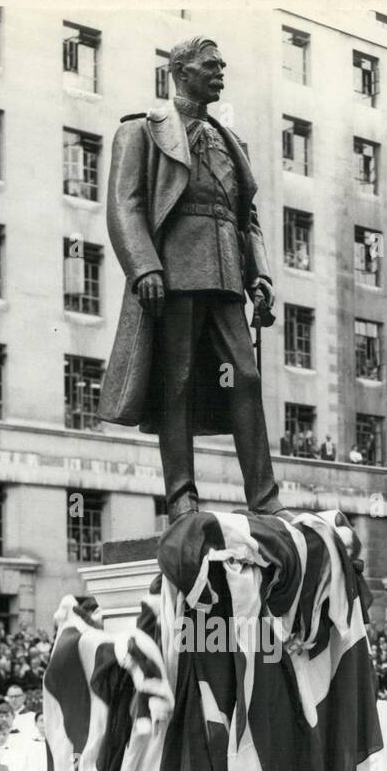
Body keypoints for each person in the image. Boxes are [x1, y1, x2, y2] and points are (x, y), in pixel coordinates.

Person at [99, 36, 283, 523]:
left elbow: (248, 219)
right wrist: (144, 267)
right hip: (175, 274)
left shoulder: (230, 141)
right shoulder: (141, 130)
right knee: (174, 383)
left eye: (222, 64)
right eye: (210, 65)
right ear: (180, 71)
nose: (221, 71)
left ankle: (265, 501)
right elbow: (126, 205)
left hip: (225, 275)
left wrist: (258, 274)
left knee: (245, 378)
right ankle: (182, 498)